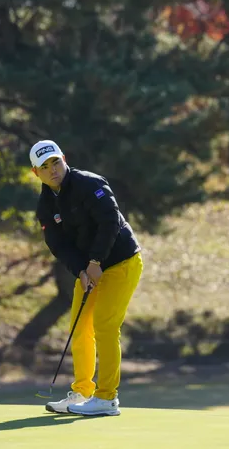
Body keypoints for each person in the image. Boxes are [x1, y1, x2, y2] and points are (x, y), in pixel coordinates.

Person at [30, 139, 143, 416]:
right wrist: (81, 270)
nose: (53, 169)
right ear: (36, 173)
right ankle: (82, 393)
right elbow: (59, 245)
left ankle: (107, 399)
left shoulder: (90, 184)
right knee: (80, 328)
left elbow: (110, 221)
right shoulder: (46, 205)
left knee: (105, 326)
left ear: (64, 159)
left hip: (122, 261)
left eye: (55, 162)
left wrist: (95, 262)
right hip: (89, 268)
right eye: (45, 166)